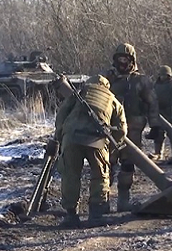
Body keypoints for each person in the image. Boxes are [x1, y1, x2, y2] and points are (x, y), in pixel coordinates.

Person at [54, 75, 127, 227]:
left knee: (70, 175)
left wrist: (60, 139)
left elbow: (61, 116)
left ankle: (70, 215)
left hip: (71, 138)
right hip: (97, 140)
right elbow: (121, 129)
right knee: (100, 175)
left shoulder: (79, 94)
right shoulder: (112, 99)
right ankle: (96, 215)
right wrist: (112, 149)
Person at [100, 43, 161, 211]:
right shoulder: (107, 79)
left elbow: (152, 104)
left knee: (128, 165)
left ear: (132, 60)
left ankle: (123, 201)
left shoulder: (141, 81)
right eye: (119, 58)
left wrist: (155, 125)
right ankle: (102, 201)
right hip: (110, 129)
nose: (122, 62)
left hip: (133, 130)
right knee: (106, 166)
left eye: (125, 59)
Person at [147, 65, 172, 161]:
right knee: (158, 134)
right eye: (162, 75)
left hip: (170, 113)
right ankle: (158, 153)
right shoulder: (155, 85)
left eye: (165, 75)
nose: (163, 77)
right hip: (159, 112)